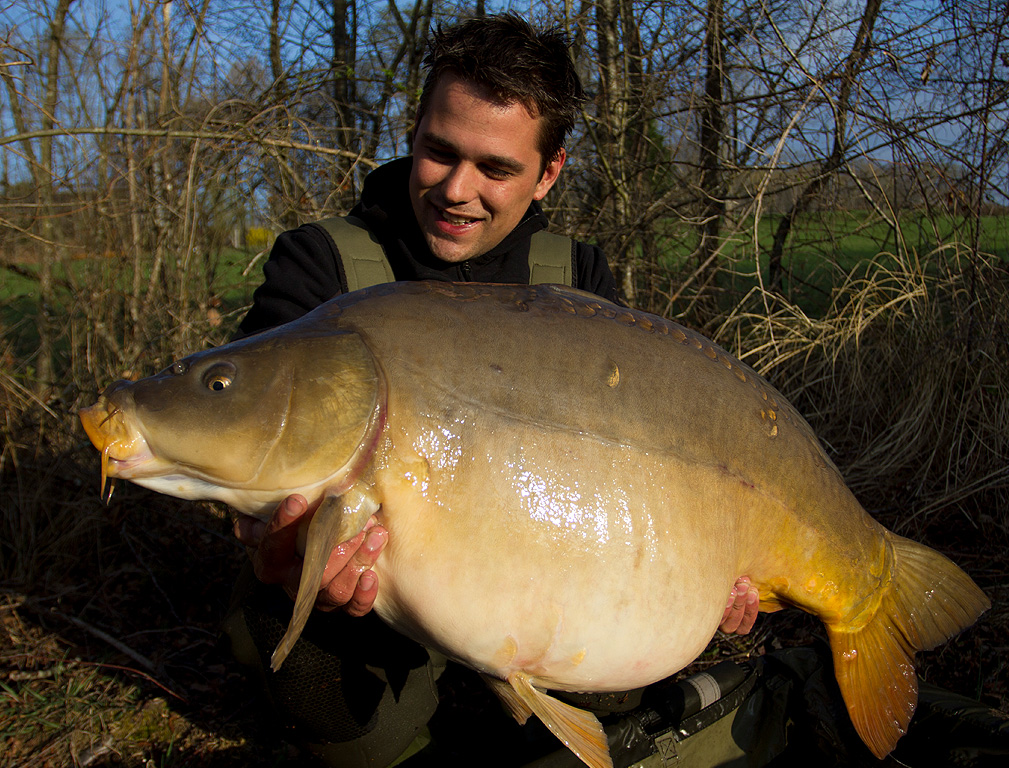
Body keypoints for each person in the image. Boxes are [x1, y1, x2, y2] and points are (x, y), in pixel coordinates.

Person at [226, 13, 759, 767]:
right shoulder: (322, 265)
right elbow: (248, 441)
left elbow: (634, 464)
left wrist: (711, 566)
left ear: (548, 173)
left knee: (620, 661)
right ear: (413, 132)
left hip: (528, 564)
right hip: (373, 593)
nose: (457, 189)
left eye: (495, 168)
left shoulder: (577, 279)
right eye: (439, 151)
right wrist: (276, 548)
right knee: (324, 688)